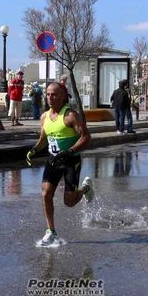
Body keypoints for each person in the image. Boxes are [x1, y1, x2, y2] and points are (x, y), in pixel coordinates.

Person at [26, 82, 94, 246]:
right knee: (45, 193)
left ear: (63, 96)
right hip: (53, 160)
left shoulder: (70, 116)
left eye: (54, 94)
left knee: (69, 202)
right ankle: (51, 231)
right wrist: (34, 150)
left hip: (71, 161)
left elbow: (86, 137)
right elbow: (43, 140)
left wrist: (69, 151)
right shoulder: (44, 117)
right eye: (48, 94)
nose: (50, 98)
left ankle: (86, 188)